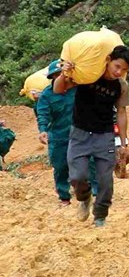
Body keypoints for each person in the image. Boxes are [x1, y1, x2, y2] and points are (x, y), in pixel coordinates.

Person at [54, 45, 129, 227]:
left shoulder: (121, 86)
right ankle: (84, 197)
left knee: (105, 180)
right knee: (77, 175)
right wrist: (64, 74)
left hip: (104, 135)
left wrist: (123, 142)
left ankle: (100, 216)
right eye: (117, 66)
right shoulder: (88, 75)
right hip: (79, 133)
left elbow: (121, 112)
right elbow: (58, 89)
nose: (119, 72)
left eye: (124, 70)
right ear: (108, 60)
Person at [36, 60, 98, 207]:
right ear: (52, 78)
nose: (61, 77)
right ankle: (64, 197)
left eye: (62, 74)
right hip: (58, 136)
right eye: (56, 75)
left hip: (81, 134)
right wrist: (43, 130)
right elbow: (42, 113)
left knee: (90, 163)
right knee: (60, 166)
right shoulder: (47, 95)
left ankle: (96, 193)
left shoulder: (79, 90)